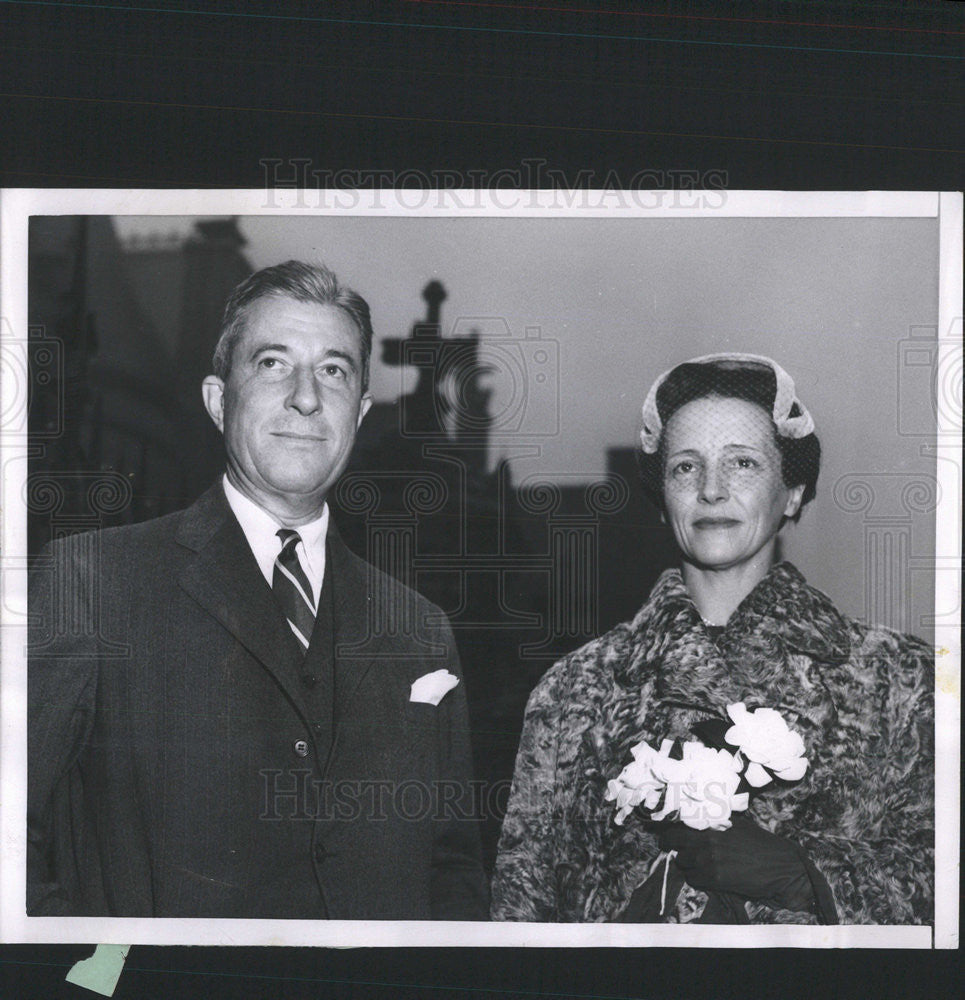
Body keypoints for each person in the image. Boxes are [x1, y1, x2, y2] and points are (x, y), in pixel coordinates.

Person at [28, 261, 488, 920]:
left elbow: (452, 870)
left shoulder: (421, 632)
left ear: (358, 412)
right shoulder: (90, 583)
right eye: (273, 364)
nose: (306, 397)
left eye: (333, 370)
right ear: (219, 401)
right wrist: (100, 979)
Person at [491, 354, 934, 924]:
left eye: (743, 464)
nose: (711, 491)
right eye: (684, 468)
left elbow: (943, 891)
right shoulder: (575, 689)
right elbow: (520, 917)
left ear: (793, 492)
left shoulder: (899, 679)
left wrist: (803, 870)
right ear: (662, 500)